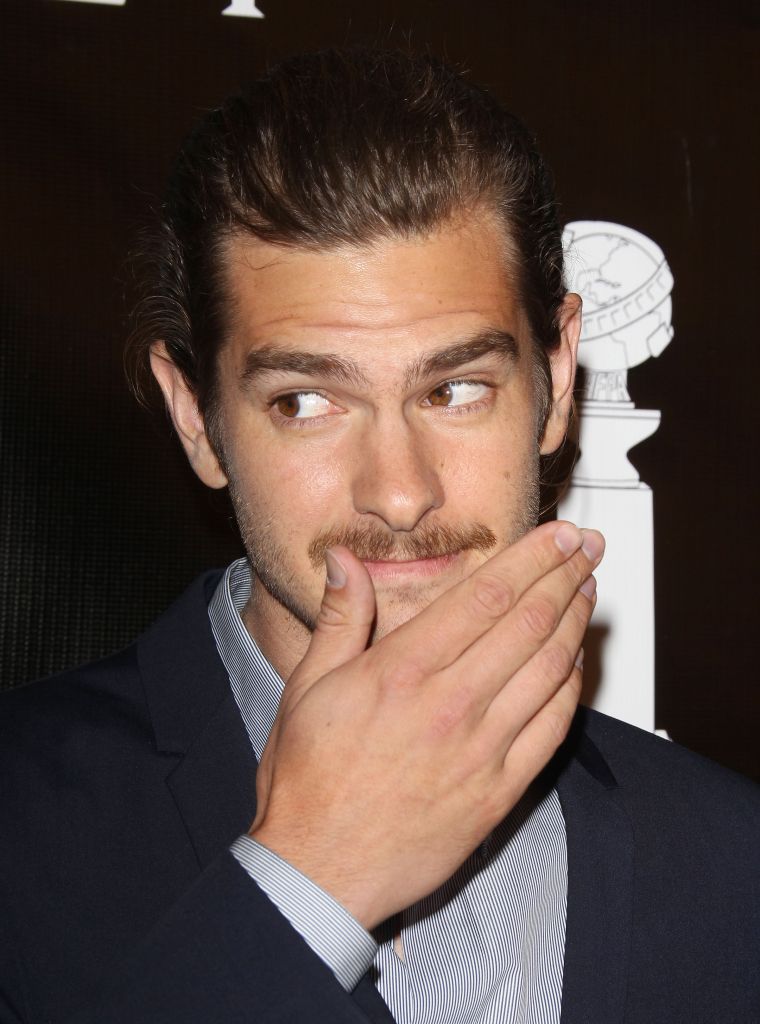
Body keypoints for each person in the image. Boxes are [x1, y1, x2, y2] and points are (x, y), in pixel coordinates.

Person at [1, 47, 757, 1024]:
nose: (399, 495)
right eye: (306, 401)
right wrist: (311, 878)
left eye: (455, 389)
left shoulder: (731, 865)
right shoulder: (18, 824)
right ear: (195, 417)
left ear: (557, 378)